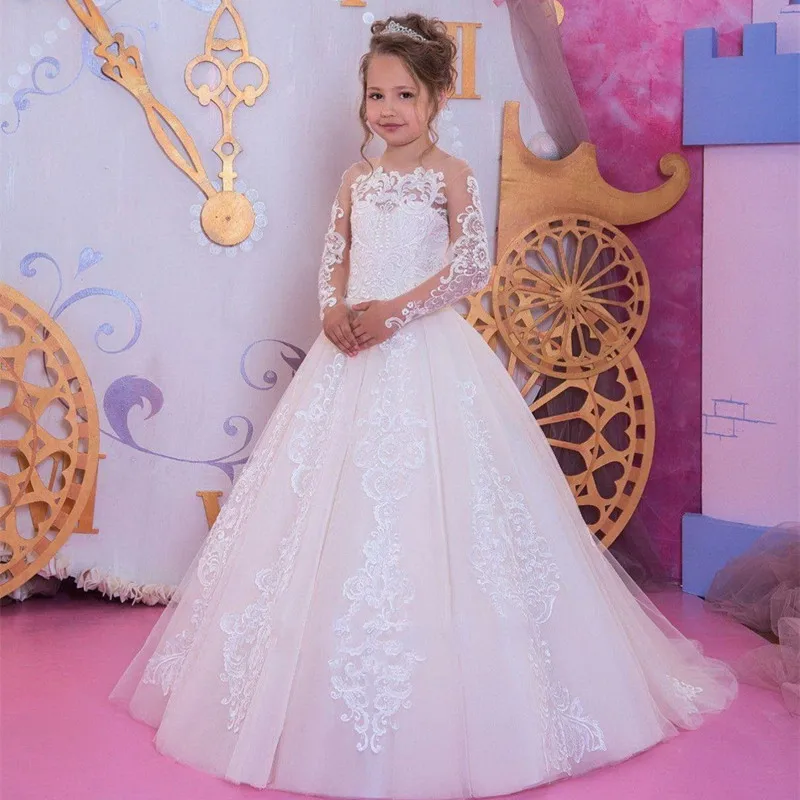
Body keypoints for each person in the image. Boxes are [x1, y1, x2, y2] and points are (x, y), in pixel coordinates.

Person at [111, 14, 737, 798]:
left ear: (437, 98)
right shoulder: (356, 179)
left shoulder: (451, 173)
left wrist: (394, 312)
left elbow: (470, 267)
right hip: (349, 354)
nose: (388, 109)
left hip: (421, 350)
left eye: (405, 95)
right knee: (325, 512)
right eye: (377, 94)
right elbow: (334, 257)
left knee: (438, 512)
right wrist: (333, 311)